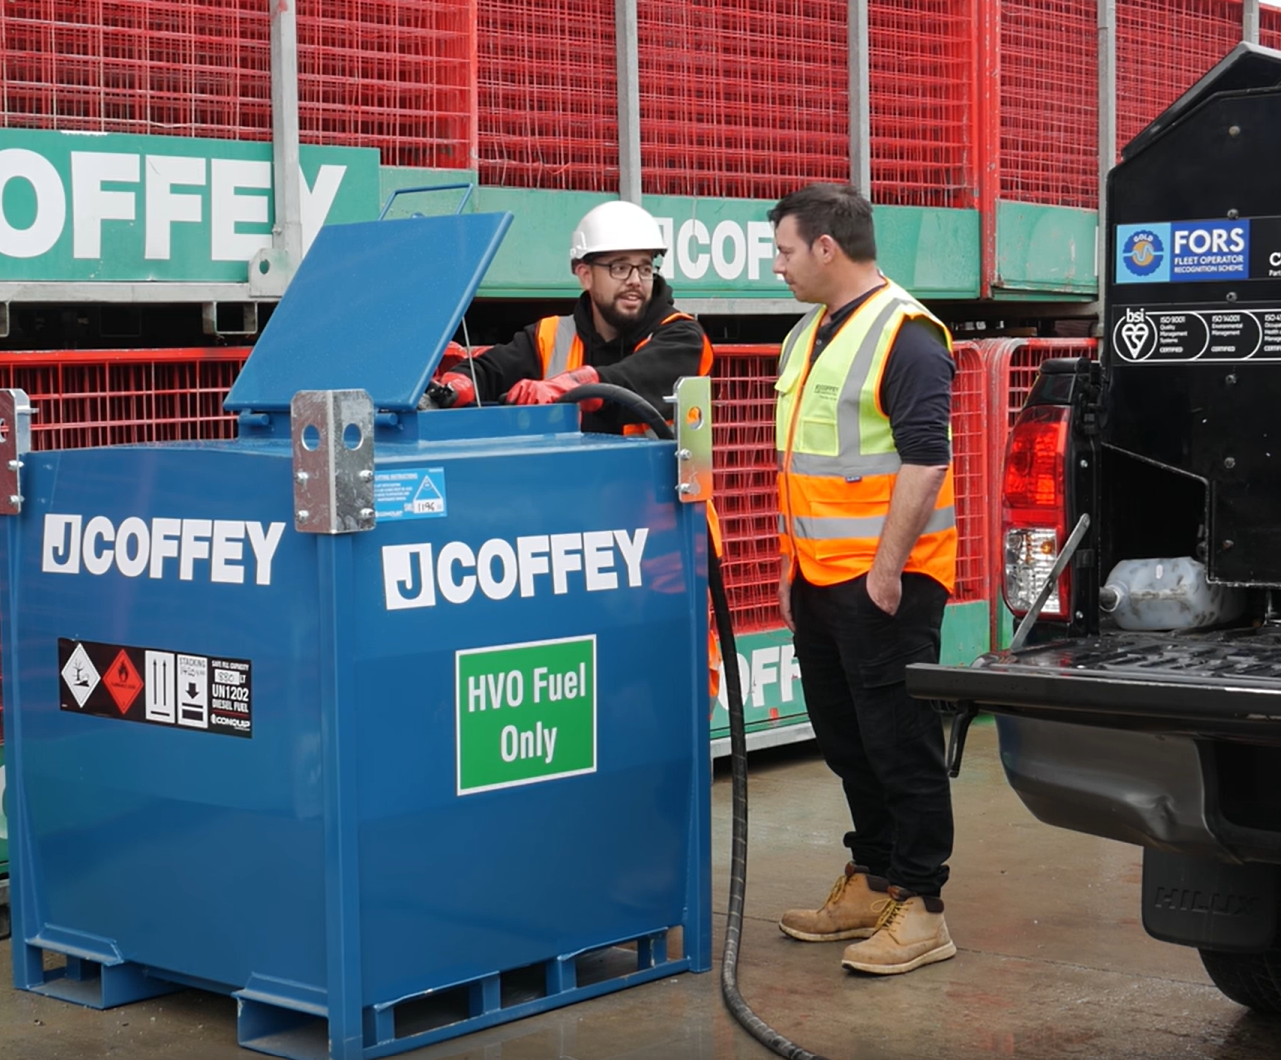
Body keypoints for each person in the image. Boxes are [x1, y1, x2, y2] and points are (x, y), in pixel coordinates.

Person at [769, 183, 958, 976]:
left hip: (887, 583)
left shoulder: (905, 335)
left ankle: (921, 906)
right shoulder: (808, 333)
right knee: (847, 744)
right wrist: (791, 568)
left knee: (899, 745)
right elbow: (803, 466)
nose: (776, 266)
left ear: (825, 247)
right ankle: (873, 877)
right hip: (820, 577)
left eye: (783, 250)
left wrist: (884, 571)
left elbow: (925, 460)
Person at [433, 200, 713, 433]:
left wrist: (568, 386)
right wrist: (459, 383)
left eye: (644, 268)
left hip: (655, 485)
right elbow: (490, 370)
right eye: (619, 268)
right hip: (575, 482)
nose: (635, 280)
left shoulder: (684, 338)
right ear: (585, 275)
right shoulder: (551, 335)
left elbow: (630, 380)